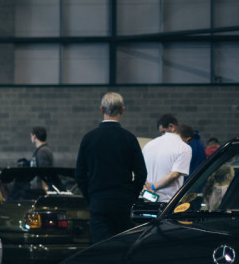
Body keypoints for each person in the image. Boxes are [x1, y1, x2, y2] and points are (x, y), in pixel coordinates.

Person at [74, 92, 148, 243]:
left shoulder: (89, 138)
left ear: (101, 110)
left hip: (99, 202)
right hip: (123, 203)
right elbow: (141, 174)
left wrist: (92, 197)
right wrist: (130, 195)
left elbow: (80, 175)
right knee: (122, 247)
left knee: (102, 249)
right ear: (122, 110)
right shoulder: (129, 138)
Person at [142, 114, 192, 203]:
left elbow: (140, 171)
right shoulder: (184, 147)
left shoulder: (149, 145)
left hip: (147, 198)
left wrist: (147, 187)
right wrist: (153, 187)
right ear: (188, 139)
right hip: (168, 202)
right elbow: (174, 175)